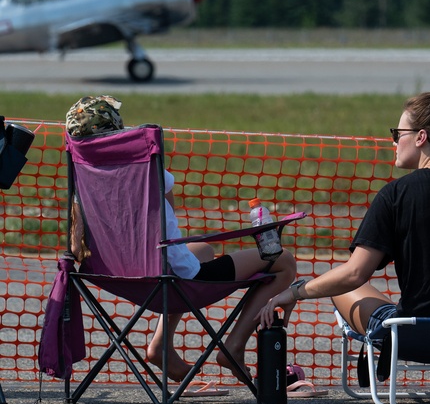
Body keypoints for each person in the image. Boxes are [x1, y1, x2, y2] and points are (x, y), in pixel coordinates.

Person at [259, 92, 430, 347]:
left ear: (420, 137)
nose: (393, 141)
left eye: (397, 133)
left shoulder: (395, 195)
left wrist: (294, 292)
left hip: (417, 339)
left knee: (343, 288)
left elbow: (355, 274)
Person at [65, 95, 298, 384]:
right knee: (284, 262)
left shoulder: (81, 180)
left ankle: (161, 346)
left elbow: (76, 247)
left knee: (202, 249)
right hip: (169, 281)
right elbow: (167, 218)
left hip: (118, 277)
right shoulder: (145, 169)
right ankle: (234, 347)